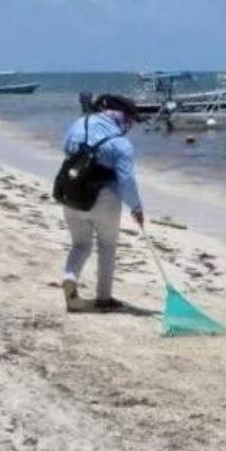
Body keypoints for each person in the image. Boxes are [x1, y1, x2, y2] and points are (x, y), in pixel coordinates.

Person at [60, 94, 146, 311]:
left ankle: (70, 276)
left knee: (80, 245)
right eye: (131, 120)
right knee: (107, 246)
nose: (130, 125)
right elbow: (126, 181)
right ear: (123, 116)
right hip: (105, 199)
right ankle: (104, 297)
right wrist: (136, 207)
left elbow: (66, 148)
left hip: (72, 192)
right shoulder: (121, 144)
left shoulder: (81, 123)